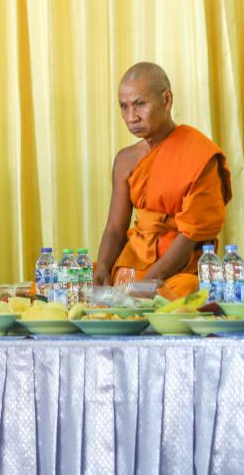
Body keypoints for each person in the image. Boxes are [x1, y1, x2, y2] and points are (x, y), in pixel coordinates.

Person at [92, 62, 232, 299]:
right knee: (65, 282)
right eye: (124, 106)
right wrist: (104, 269)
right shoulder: (125, 160)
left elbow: (190, 236)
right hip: (131, 265)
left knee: (187, 290)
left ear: (166, 100)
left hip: (176, 272)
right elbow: (115, 228)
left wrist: (147, 283)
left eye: (139, 104)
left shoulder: (199, 155)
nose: (131, 117)